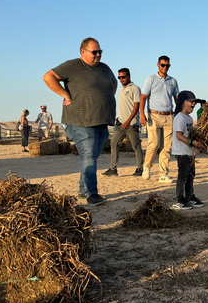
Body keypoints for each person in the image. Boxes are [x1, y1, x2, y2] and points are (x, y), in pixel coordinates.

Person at [43, 37, 117, 206]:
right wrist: (66, 95)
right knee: (89, 156)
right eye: (94, 52)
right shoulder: (73, 66)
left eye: (100, 52)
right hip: (81, 121)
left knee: (92, 157)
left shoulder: (104, 68)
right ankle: (92, 194)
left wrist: (106, 97)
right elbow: (48, 77)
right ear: (83, 52)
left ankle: (83, 190)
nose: (98, 55)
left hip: (102, 120)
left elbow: (113, 82)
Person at [140, 55, 179, 184]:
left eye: (167, 65)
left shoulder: (173, 81)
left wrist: (179, 115)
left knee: (167, 147)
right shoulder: (151, 79)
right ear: (158, 65)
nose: (165, 68)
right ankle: (147, 167)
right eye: (163, 65)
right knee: (154, 143)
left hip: (169, 116)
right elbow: (143, 97)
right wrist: (142, 114)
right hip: (154, 115)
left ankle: (163, 174)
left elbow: (176, 99)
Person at [103, 68, 144, 177]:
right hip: (120, 123)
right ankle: (113, 168)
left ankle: (140, 168)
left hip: (131, 123)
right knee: (114, 143)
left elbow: (136, 107)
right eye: (119, 77)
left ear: (129, 76)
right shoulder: (121, 90)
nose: (121, 79)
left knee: (135, 145)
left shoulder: (135, 89)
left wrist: (128, 121)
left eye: (123, 77)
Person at [171, 91, 205, 210]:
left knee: (191, 175)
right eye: (190, 102)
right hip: (182, 152)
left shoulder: (189, 118)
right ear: (182, 102)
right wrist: (192, 142)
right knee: (183, 176)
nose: (193, 105)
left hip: (189, 152)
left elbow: (190, 134)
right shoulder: (179, 118)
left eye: (194, 103)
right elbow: (179, 136)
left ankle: (190, 197)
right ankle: (179, 199)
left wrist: (198, 143)